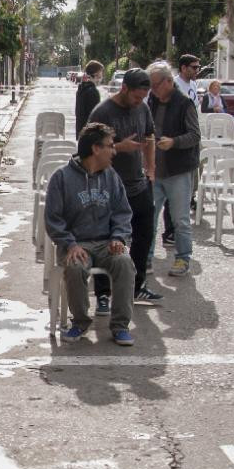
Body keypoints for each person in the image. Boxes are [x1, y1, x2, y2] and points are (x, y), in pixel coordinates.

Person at [44, 122, 135, 345]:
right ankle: (80, 322)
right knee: (75, 267)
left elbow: (123, 212)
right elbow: (53, 219)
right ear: (95, 148)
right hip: (77, 243)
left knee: (124, 263)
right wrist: (70, 244)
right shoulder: (62, 178)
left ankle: (120, 326)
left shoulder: (111, 177)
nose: (114, 151)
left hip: (106, 243)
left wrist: (118, 238)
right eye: (109, 146)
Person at [88, 68, 162, 304]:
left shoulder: (143, 108)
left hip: (138, 184)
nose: (139, 101)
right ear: (124, 88)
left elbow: (150, 137)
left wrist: (151, 170)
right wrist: (120, 147)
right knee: (107, 239)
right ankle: (103, 293)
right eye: (136, 96)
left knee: (144, 235)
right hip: (108, 187)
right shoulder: (103, 112)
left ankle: (136, 286)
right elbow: (90, 149)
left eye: (143, 97)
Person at [145, 61, 199, 277]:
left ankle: (183, 258)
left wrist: (174, 142)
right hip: (155, 170)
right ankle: (145, 258)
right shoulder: (152, 102)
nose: (153, 89)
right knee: (149, 217)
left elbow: (195, 136)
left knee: (180, 219)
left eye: (156, 85)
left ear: (168, 81)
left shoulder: (184, 103)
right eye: (151, 86)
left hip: (178, 170)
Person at [75, 60, 104, 137]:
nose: (102, 75)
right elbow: (94, 116)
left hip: (81, 130)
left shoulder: (81, 88)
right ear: (96, 73)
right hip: (90, 134)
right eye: (101, 72)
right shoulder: (93, 91)